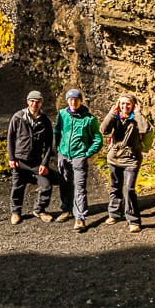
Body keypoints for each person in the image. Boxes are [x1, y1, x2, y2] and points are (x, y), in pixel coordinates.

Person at [53, 88, 102, 232]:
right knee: (65, 183)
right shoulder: (62, 114)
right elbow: (57, 130)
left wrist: (87, 153)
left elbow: (98, 139)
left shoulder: (89, 119)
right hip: (64, 155)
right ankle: (66, 209)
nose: (73, 102)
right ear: (67, 101)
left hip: (79, 156)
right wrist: (58, 147)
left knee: (79, 187)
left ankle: (80, 218)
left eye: (76, 99)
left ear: (80, 101)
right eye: (71, 99)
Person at [100, 92, 150, 233]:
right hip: (114, 158)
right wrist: (111, 113)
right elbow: (103, 130)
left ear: (133, 105)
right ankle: (114, 213)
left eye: (128, 104)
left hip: (131, 159)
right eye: (122, 103)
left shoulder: (137, 120)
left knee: (129, 190)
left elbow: (145, 129)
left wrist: (138, 114)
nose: (125, 106)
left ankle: (133, 220)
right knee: (115, 186)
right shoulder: (115, 118)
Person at [6, 90, 54, 224]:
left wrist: (44, 163)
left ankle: (39, 210)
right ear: (28, 102)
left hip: (37, 162)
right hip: (19, 160)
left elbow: (49, 145)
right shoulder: (18, 117)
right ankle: (16, 212)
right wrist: (11, 158)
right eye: (32, 101)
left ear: (41, 104)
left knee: (46, 185)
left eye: (37, 102)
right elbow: (10, 138)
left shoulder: (45, 121)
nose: (34, 104)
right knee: (17, 187)